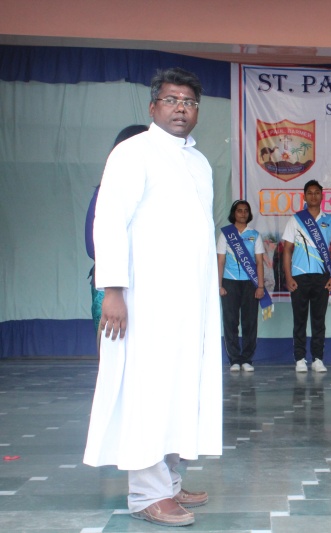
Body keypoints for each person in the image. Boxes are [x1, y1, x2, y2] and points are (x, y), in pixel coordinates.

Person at [83, 68, 220, 527]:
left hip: (189, 304)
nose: (181, 108)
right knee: (149, 389)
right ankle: (146, 494)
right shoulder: (133, 152)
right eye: (171, 100)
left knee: (180, 388)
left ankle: (170, 481)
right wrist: (113, 291)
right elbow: (109, 222)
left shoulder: (198, 162)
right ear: (153, 106)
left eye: (189, 102)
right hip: (145, 300)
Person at [85, 124, 148, 339]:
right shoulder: (106, 192)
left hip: (151, 285)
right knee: (113, 349)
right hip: (114, 289)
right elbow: (92, 247)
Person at [282, 179, 331, 373]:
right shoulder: (295, 219)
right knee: (299, 319)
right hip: (299, 277)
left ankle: (318, 359)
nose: (314, 196)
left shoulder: (330, 220)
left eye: (317, 192)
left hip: (322, 277)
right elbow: (287, 250)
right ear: (305, 196)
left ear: (322, 196)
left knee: (319, 320)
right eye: (310, 193)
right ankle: (300, 358)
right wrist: (288, 277)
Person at [217, 200, 265, 372]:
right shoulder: (225, 234)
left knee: (250, 321)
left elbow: (259, 262)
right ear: (234, 213)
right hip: (229, 282)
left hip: (250, 284)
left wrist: (260, 286)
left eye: (246, 210)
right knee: (230, 321)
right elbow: (220, 261)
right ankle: (234, 360)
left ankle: (247, 359)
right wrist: (219, 285)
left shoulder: (255, 235)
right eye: (239, 210)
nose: (243, 213)